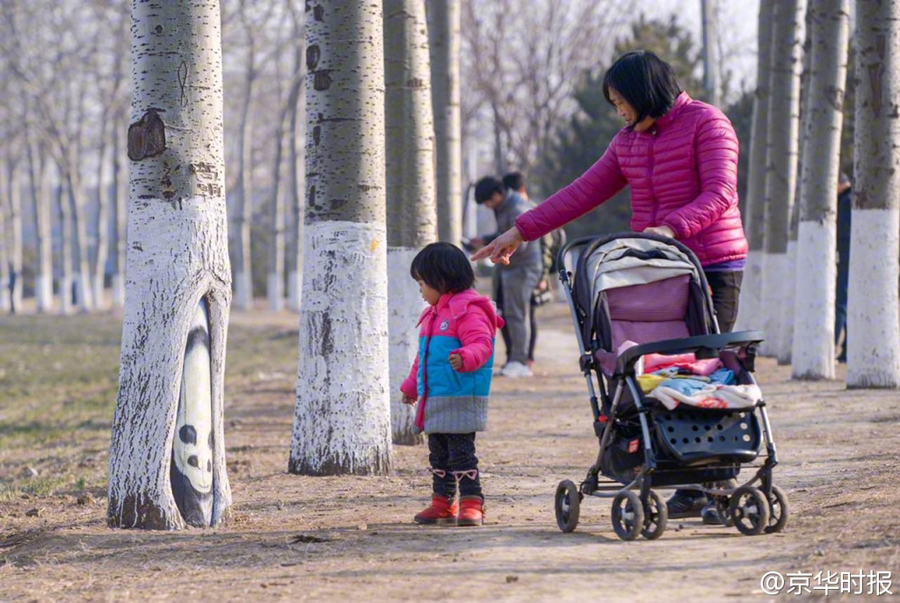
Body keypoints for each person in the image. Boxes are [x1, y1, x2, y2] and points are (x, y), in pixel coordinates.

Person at [471, 50, 747, 524]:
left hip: (712, 264)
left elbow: (720, 192)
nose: (618, 110)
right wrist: (520, 230)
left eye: (621, 100)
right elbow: (581, 193)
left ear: (644, 93)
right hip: (658, 269)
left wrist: (671, 228)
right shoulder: (628, 143)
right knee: (662, 373)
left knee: (705, 368)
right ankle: (686, 479)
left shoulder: (708, 123)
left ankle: (714, 482)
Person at [400, 242, 504, 527]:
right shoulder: (433, 314)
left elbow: (482, 344)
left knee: (461, 454)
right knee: (438, 455)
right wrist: (411, 386)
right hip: (435, 398)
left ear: (442, 280)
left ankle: (472, 502)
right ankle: (443, 502)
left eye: (422, 283)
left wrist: (466, 356)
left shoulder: (467, 311)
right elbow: (423, 357)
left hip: (459, 397)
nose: (420, 290)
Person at [472, 176, 543, 378]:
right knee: (510, 314)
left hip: (522, 267)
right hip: (510, 268)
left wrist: (495, 250)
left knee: (517, 315)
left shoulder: (517, 208)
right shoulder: (503, 207)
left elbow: (521, 244)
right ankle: (514, 359)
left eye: (487, 202)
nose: (488, 206)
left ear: (496, 195)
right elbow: (504, 233)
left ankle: (520, 361)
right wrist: (487, 240)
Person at [502, 171, 555, 369]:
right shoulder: (513, 209)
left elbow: (546, 246)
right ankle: (517, 358)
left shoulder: (532, 209)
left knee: (527, 316)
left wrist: (543, 276)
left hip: (531, 271)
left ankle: (526, 358)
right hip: (519, 270)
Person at [835, 172, 852, 363]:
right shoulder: (848, 199)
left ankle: (833, 344)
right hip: (849, 259)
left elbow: (844, 235)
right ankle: (846, 349)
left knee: (842, 303)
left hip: (846, 260)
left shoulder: (846, 201)